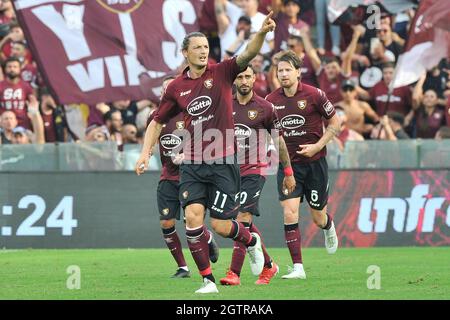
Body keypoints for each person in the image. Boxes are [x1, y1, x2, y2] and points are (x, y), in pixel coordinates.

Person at [136, 12, 277, 294]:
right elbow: (157, 121)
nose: (203, 51)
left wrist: (260, 34)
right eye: (197, 47)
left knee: (223, 226)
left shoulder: (222, 72)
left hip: (223, 160)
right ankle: (208, 281)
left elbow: (248, 53)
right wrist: (144, 153)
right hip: (192, 163)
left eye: (205, 47)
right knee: (192, 218)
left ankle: (252, 242)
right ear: (185, 53)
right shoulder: (176, 87)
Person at [266, 50, 340, 279]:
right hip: (288, 167)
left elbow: (335, 123)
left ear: (298, 72)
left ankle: (328, 226)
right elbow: (267, 133)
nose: (284, 74)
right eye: (280, 71)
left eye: (288, 70)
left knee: (318, 217)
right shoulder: (271, 101)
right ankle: (298, 267)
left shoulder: (315, 94)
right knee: (289, 212)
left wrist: (317, 146)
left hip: (315, 164)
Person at [220, 66, 295, 286]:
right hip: (229, 171)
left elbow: (279, 140)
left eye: (247, 76)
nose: (244, 80)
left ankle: (234, 273)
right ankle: (269, 265)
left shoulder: (266, 107)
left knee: (242, 218)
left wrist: (288, 172)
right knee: (238, 223)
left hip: (255, 169)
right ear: (234, 80)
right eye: (240, 76)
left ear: (254, 78)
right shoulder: (224, 105)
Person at [0, 57, 36, 130]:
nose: (12, 69)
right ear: (5, 69)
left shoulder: (26, 86)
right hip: (4, 125)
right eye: (9, 67)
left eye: (15, 67)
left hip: (23, 125)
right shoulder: (0, 85)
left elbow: (33, 103)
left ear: (20, 69)